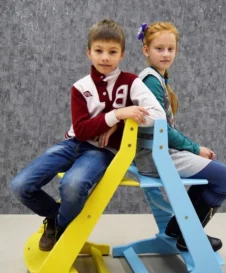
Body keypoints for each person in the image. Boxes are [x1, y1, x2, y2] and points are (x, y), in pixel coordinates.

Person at [10, 19, 165, 251]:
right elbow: (81, 129)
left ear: (121, 54)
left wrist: (121, 121)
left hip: (102, 151)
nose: (105, 57)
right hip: (73, 143)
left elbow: (158, 114)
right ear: (88, 53)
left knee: (73, 185)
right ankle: (55, 218)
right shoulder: (80, 87)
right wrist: (117, 114)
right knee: (20, 185)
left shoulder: (131, 83)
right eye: (99, 51)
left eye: (112, 52)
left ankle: (61, 229)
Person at [135, 21, 226, 251]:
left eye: (170, 49)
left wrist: (191, 150)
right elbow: (164, 131)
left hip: (156, 152)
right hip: (156, 156)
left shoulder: (154, 79)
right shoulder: (150, 81)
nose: (166, 54)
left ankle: (177, 228)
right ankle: (190, 236)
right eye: (159, 48)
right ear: (146, 50)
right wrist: (194, 148)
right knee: (225, 177)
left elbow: (163, 130)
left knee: (211, 171)